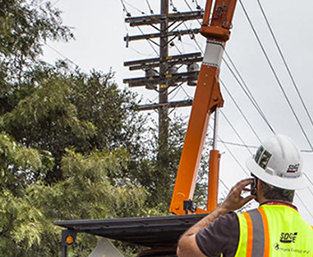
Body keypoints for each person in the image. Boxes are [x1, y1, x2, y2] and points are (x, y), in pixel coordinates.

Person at [177, 134, 313, 257]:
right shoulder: (310, 235)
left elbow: (184, 250)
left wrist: (223, 208)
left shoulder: (236, 225)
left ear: (257, 183)